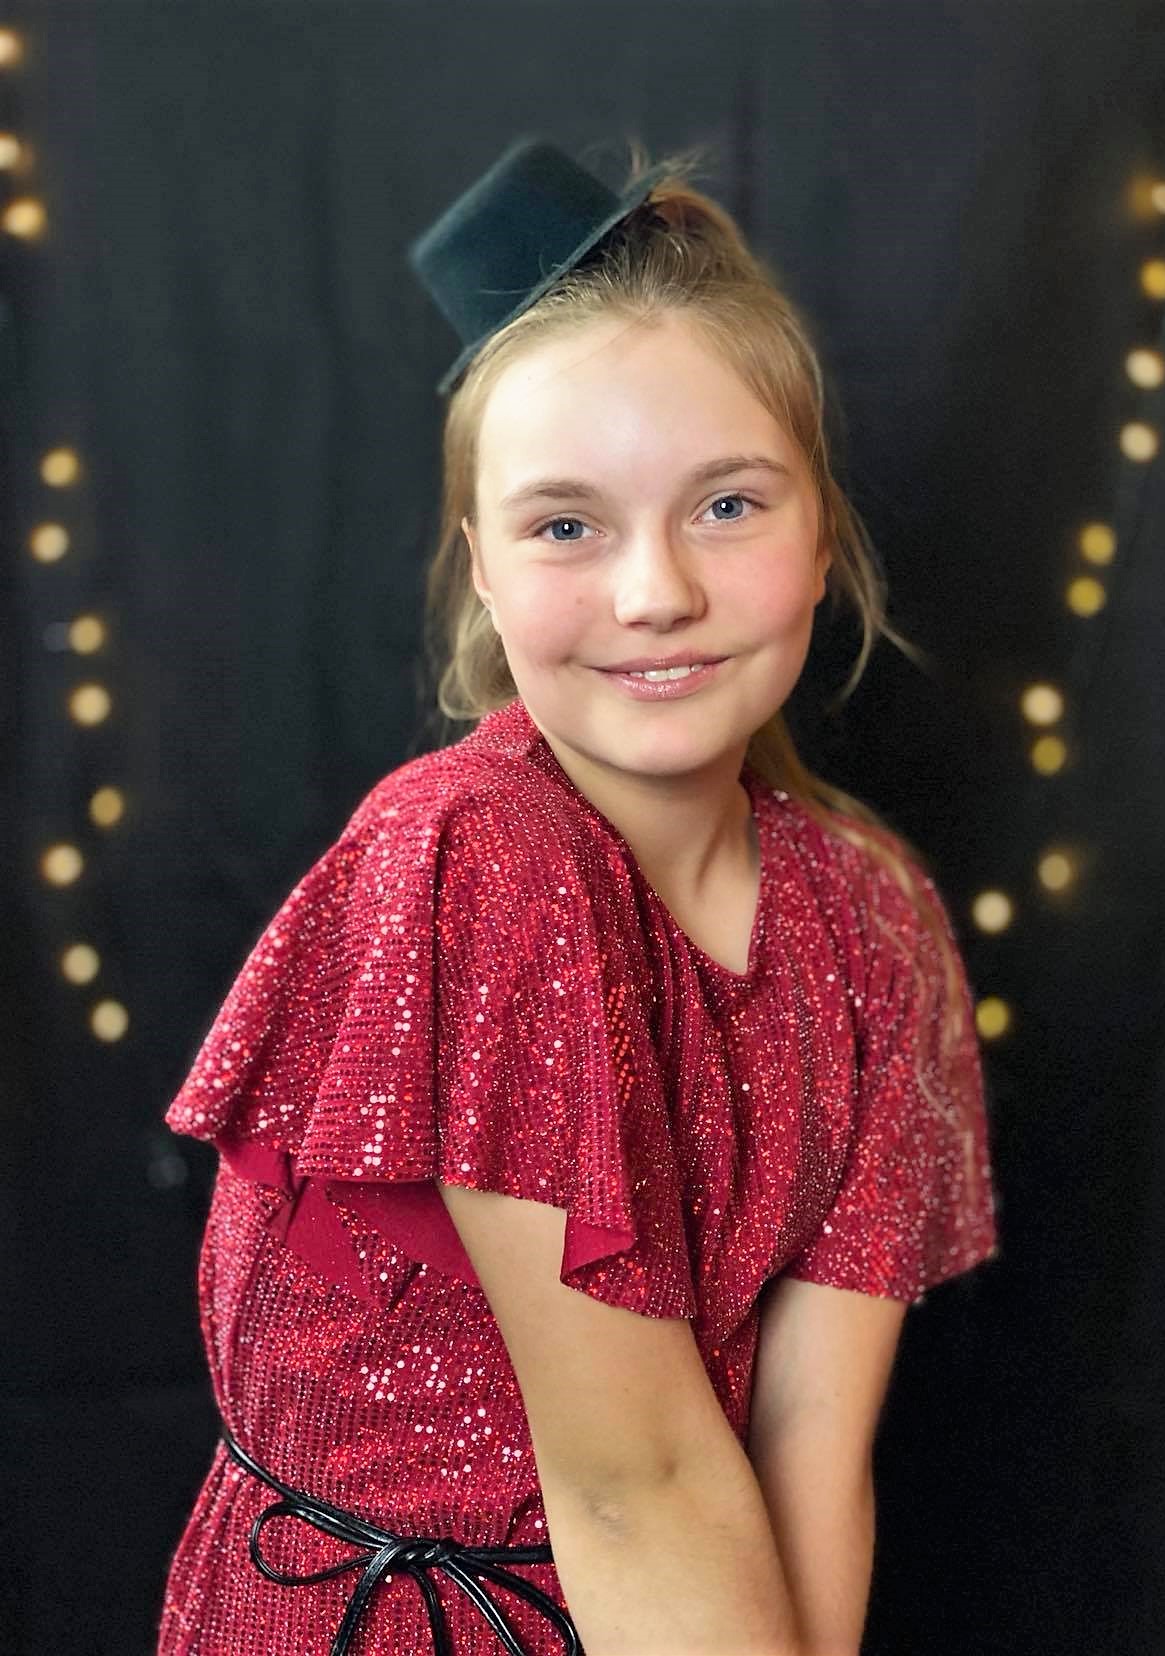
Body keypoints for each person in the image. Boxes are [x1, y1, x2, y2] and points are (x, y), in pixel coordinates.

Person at [157, 134, 1000, 1656]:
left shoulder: (876, 917)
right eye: (565, 525)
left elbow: (810, 1454)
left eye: (728, 506)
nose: (654, 593)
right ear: (482, 568)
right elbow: (632, 1482)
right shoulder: (475, 854)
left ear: (822, 535)